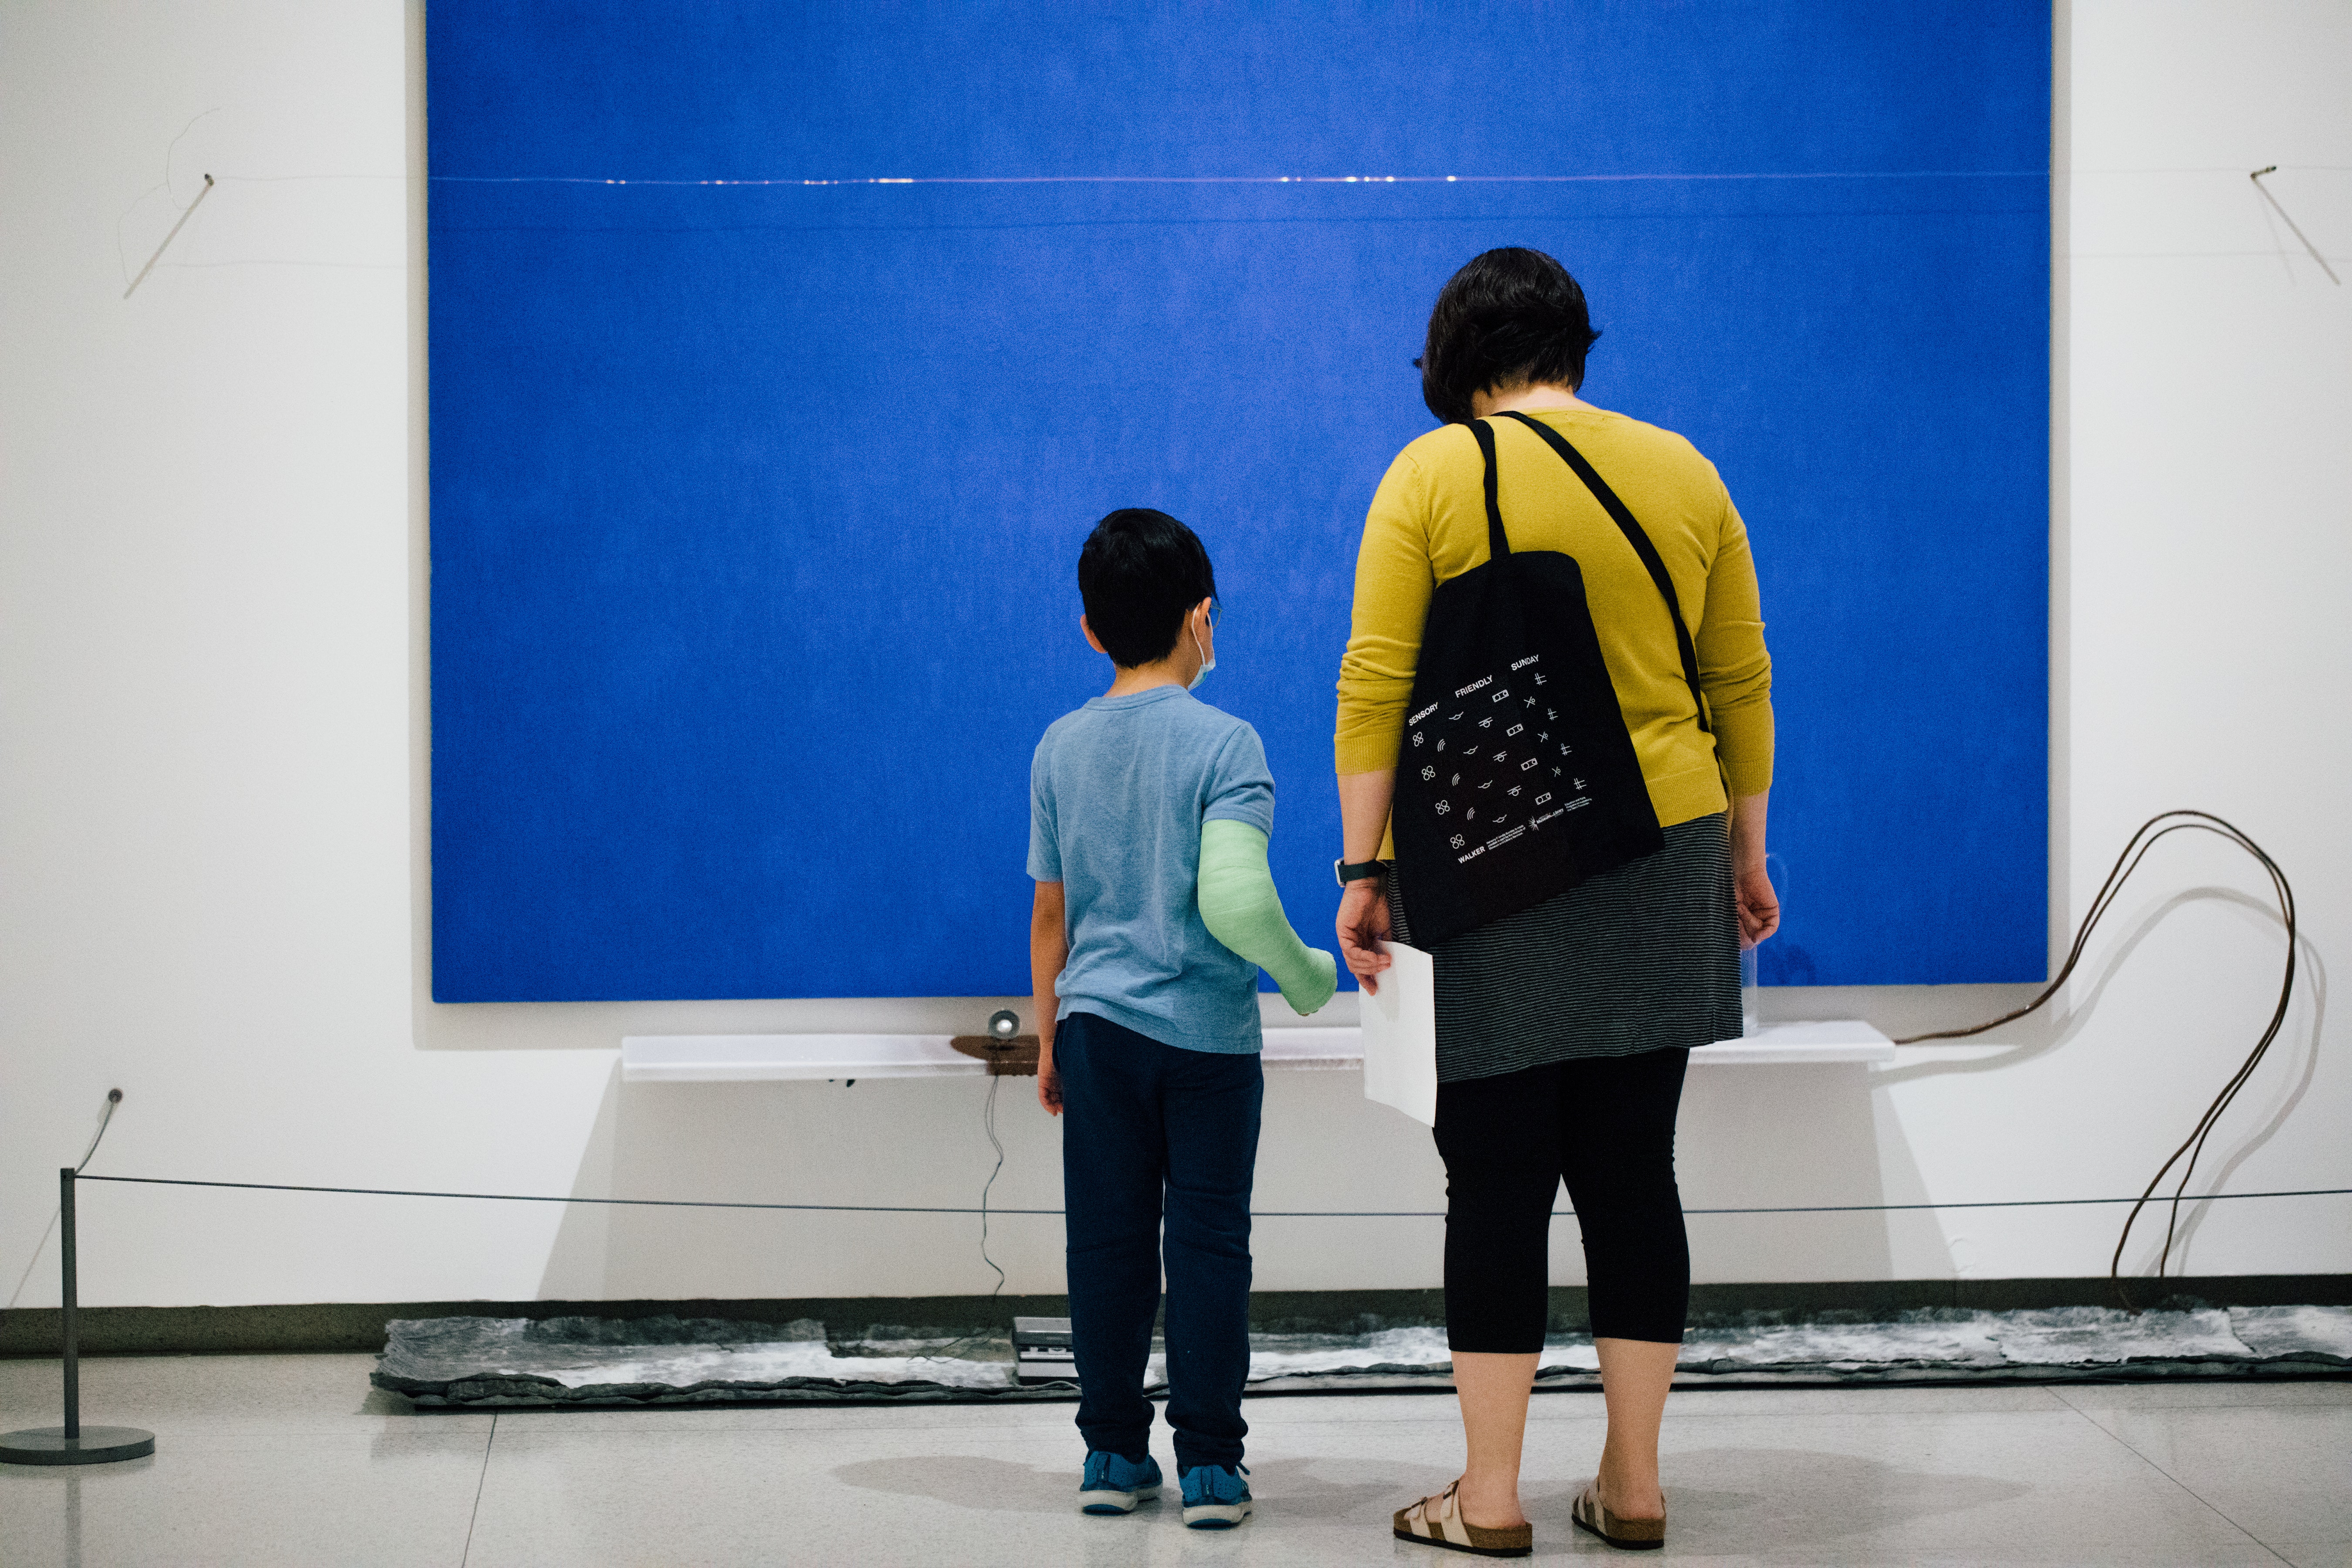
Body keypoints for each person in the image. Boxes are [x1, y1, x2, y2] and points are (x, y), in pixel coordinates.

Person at [1335, 249, 1779, 1556]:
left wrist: (1365, 868)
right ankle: (1633, 1486)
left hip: (1494, 854)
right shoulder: (1685, 470)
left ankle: (1487, 1501)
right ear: (1578, 344)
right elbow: (1739, 679)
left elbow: (1377, 682)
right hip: (1667, 844)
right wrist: (1746, 854)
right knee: (1637, 1171)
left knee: (1498, 1183)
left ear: (1453, 357)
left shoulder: (1430, 476)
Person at [1028, 507, 1338, 1530]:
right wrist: (1308, 979)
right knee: (1208, 1244)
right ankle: (1210, 1466)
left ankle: (1112, 1456)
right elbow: (1239, 904)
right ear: (1202, 617)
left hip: (1097, 1030)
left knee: (1105, 1246)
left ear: (1089, 629)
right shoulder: (1229, 743)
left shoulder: (1059, 749)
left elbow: (1050, 914)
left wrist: (1048, 1039)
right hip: (1207, 1039)